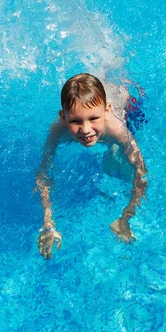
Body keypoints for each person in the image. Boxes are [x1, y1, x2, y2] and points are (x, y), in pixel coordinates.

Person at [35, 73, 148, 259]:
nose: (86, 130)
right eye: (75, 121)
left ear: (106, 111)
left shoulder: (116, 128)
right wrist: (48, 222)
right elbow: (43, 174)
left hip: (127, 105)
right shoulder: (57, 131)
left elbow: (141, 173)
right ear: (63, 117)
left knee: (115, 164)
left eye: (93, 119)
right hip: (102, 98)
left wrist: (126, 217)